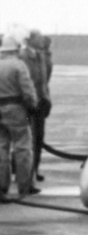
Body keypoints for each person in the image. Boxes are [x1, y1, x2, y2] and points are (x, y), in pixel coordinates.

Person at [0, 31, 39, 202]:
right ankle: (24, 185)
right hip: (16, 109)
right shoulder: (18, 65)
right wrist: (33, 105)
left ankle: (2, 186)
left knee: (1, 148)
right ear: (15, 49)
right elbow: (28, 90)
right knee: (23, 147)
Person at [20, 31, 51, 184]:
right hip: (27, 104)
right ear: (31, 40)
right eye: (39, 38)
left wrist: (46, 99)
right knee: (27, 140)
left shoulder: (42, 56)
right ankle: (26, 173)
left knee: (38, 138)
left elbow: (45, 80)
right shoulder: (23, 56)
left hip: (39, 102)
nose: (42, 40)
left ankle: (35, 169)